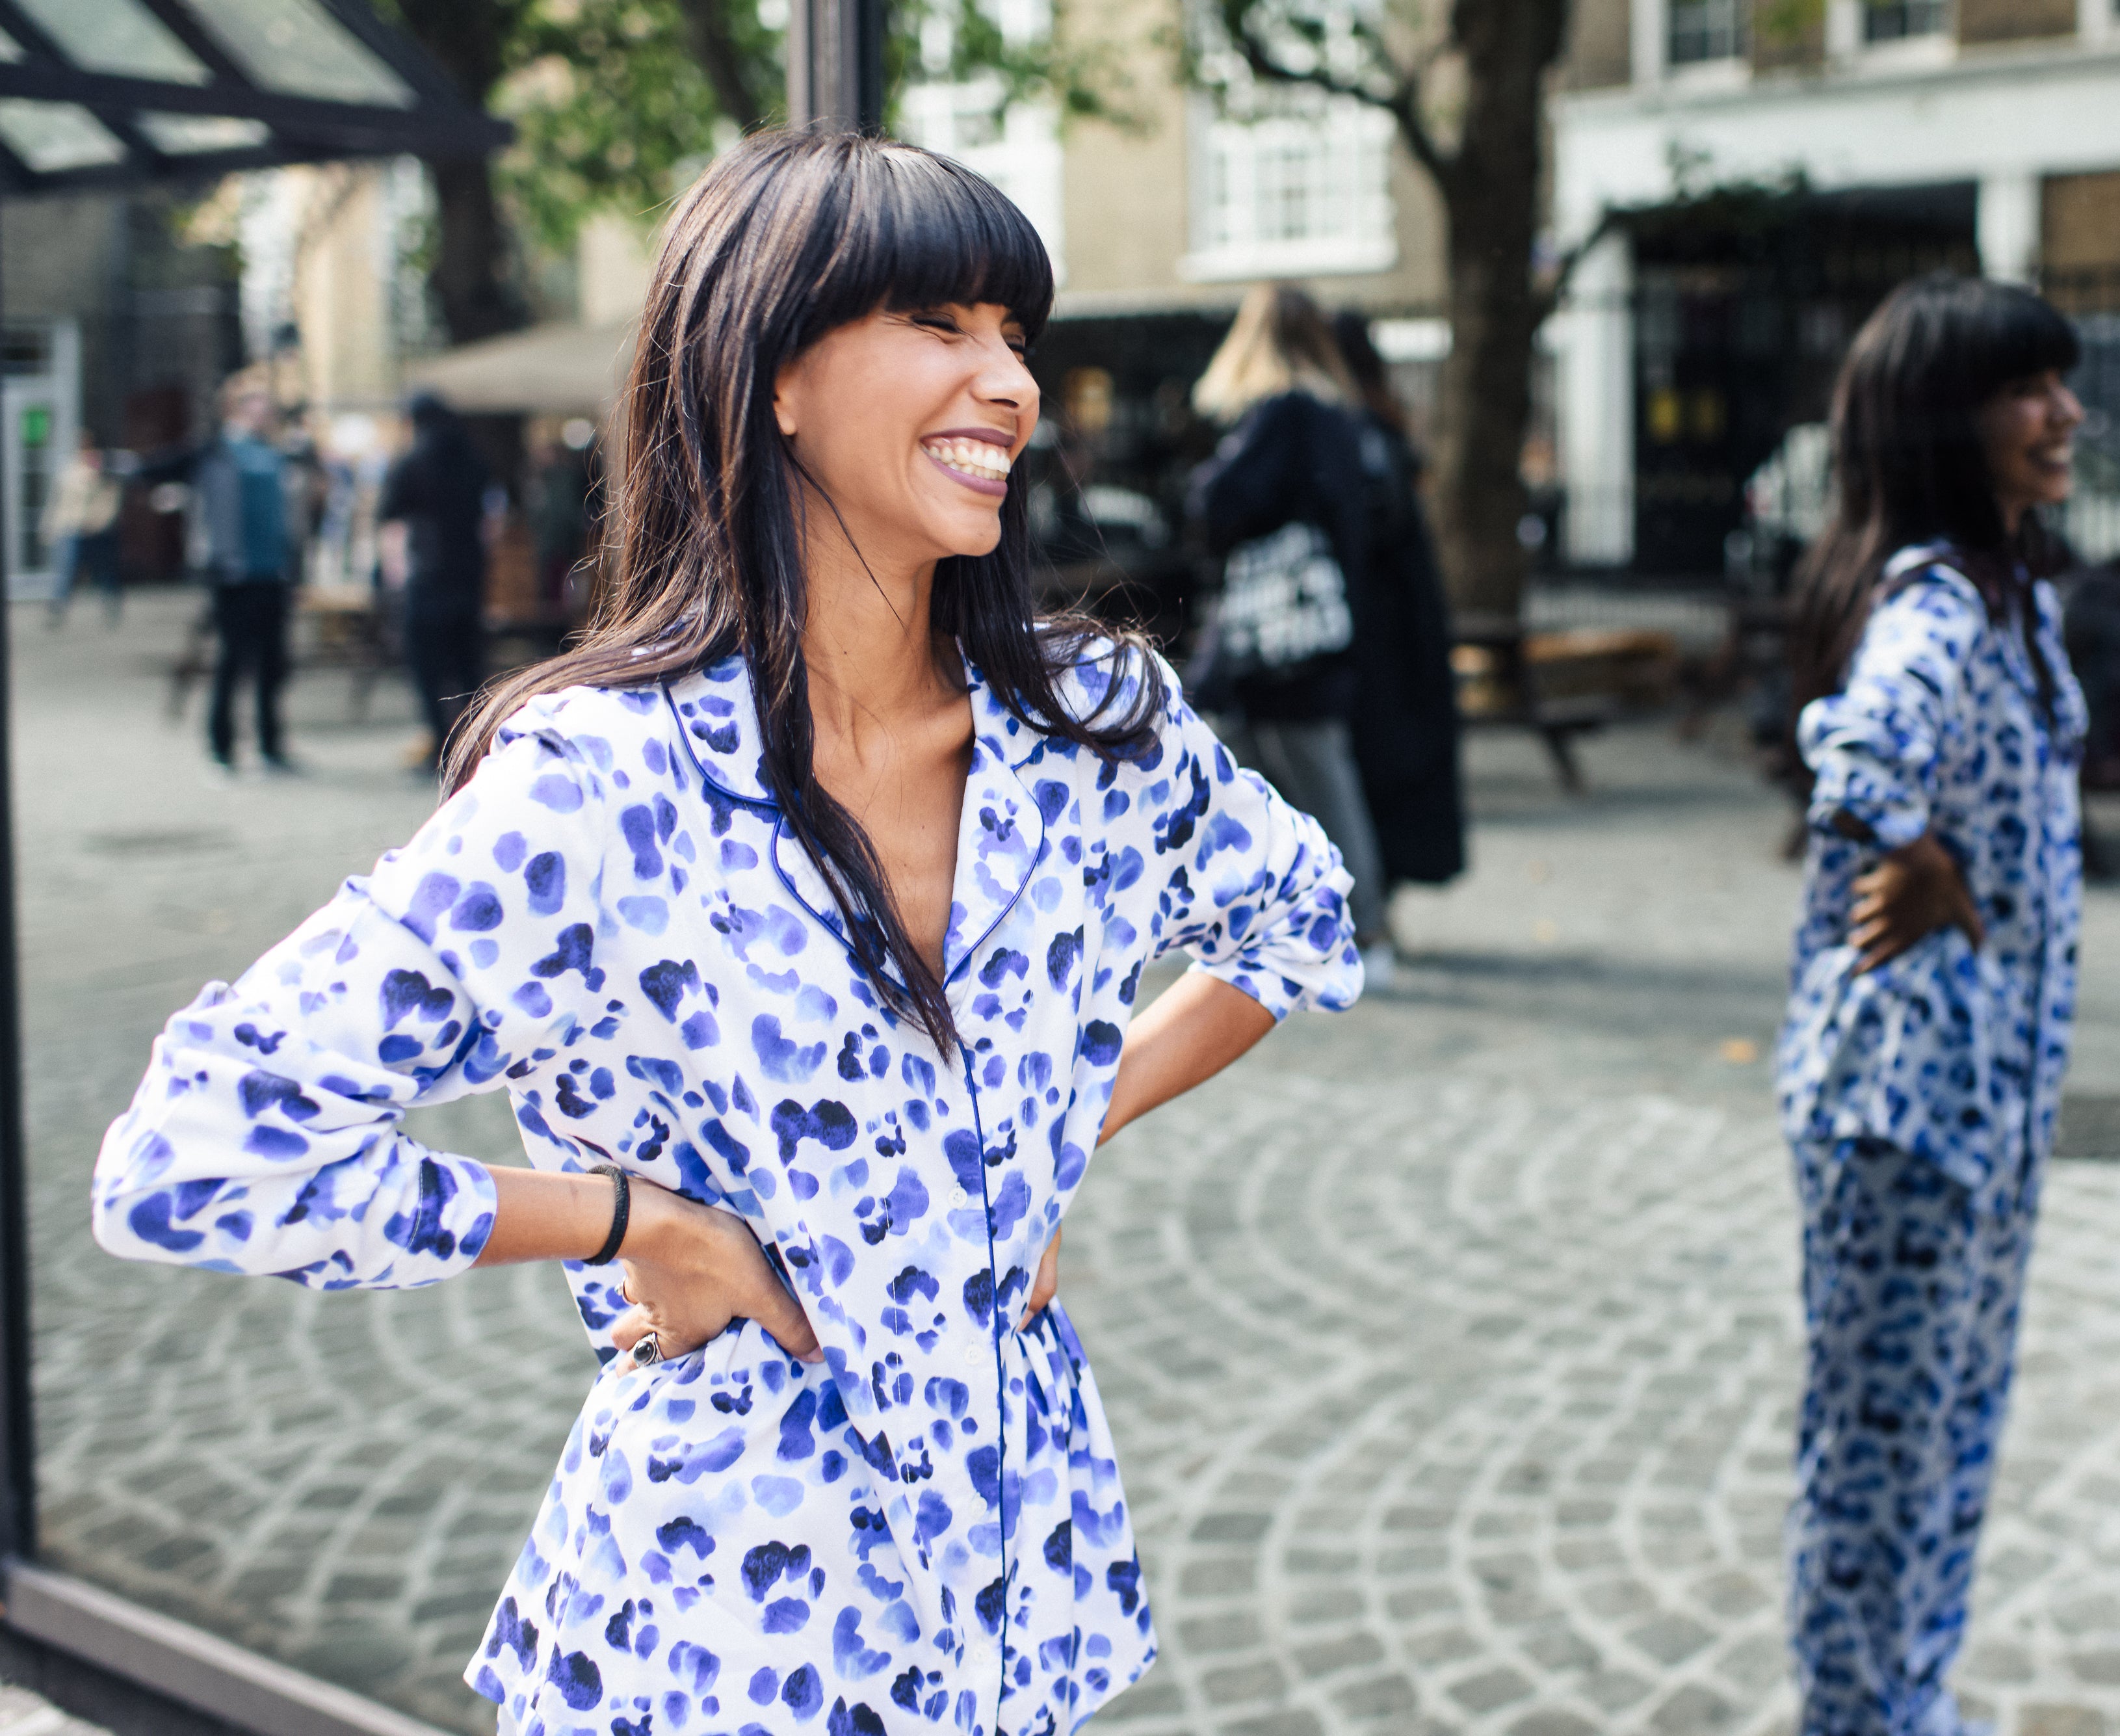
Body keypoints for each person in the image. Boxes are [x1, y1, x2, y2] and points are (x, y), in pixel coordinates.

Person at [90, 131, 1361, 1736]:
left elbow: (1295, 923)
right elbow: (196, 1157)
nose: (1008, 384)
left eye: (1014, 335)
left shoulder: (1092, 724)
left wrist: (1011, 1149)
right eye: (939, 324)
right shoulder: (606, 786)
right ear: (769, 375)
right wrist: (639, 1225)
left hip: (1004, 1577)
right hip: (724, 1611)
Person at [1774, 274, 2089, 1736]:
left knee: (1950, 1431)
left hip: (1981, 1110)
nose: (2061, 413)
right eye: (2024, 390)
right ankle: (1860, 1714)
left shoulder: (2005, 595)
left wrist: (1934, 854)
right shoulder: (1941, 609)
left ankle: (1910, 1700)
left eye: (2057, 382)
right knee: (1883, 1451)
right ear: (1940, 422)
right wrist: (1912, 855)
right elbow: (1856, 755)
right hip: (1903, 1114)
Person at [1186, 284, 1395, 985]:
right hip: (1317, 633)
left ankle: (1358, 931)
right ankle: (1344, 926)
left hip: (1276, 643)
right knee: (1307, 782)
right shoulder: (1341, 417)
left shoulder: (1281, 412)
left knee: (1286, 787)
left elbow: (1219, 502)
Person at [1328, 310, 1467, 897]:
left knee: (1374, 758)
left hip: (1376, 627)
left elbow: (1375, 524)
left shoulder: (1353, 429)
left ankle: (1371, 898)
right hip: (1404, 623)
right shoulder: (1383, 423)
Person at [380, 391, 495, 767]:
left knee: (429, 669)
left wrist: (396, 579)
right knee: (468, 668)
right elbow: (490, 525)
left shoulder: (410, 464)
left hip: (427, 579)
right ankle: (473, 746)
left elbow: (393, 528)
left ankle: (440, 746)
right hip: (468, 578)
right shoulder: (474, 462)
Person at [194, 378, 298, 774]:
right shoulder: (219, 451)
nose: (264, 410)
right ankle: (222, 748)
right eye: (256, 402)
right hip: (234, 575)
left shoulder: (275, 454)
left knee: (273, 664)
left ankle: (271, 746)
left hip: (273, 573)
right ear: (235, 407)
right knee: (232, 662)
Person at [43, 428, 124, 628]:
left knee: (104, 570)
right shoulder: (70, 468)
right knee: (67, 569)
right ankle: (58, 609)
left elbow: (110, 498)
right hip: (71, 527)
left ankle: (111, 605)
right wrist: (49, 525)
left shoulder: (101, 466)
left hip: (95, 528)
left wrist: (102, 522)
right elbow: (59, 500)